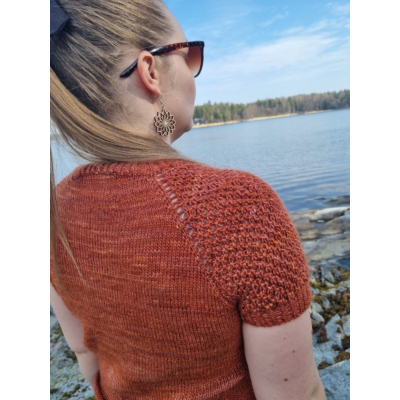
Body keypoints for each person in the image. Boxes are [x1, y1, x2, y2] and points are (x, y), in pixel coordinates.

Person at [50, 0, 326, 399]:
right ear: (150, 71)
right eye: (190, 54)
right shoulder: (238, 208)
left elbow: (86, 355)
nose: (195, 71)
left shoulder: (52, 213)